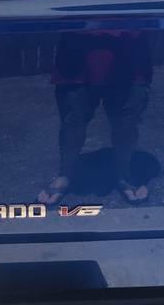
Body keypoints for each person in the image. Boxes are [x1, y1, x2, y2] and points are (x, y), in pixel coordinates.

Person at [38, 29, 152, 205]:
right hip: (77, 52)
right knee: (72, 122)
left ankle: (124, 172)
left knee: (126, 122)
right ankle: (65, 174)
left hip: (128, 52)